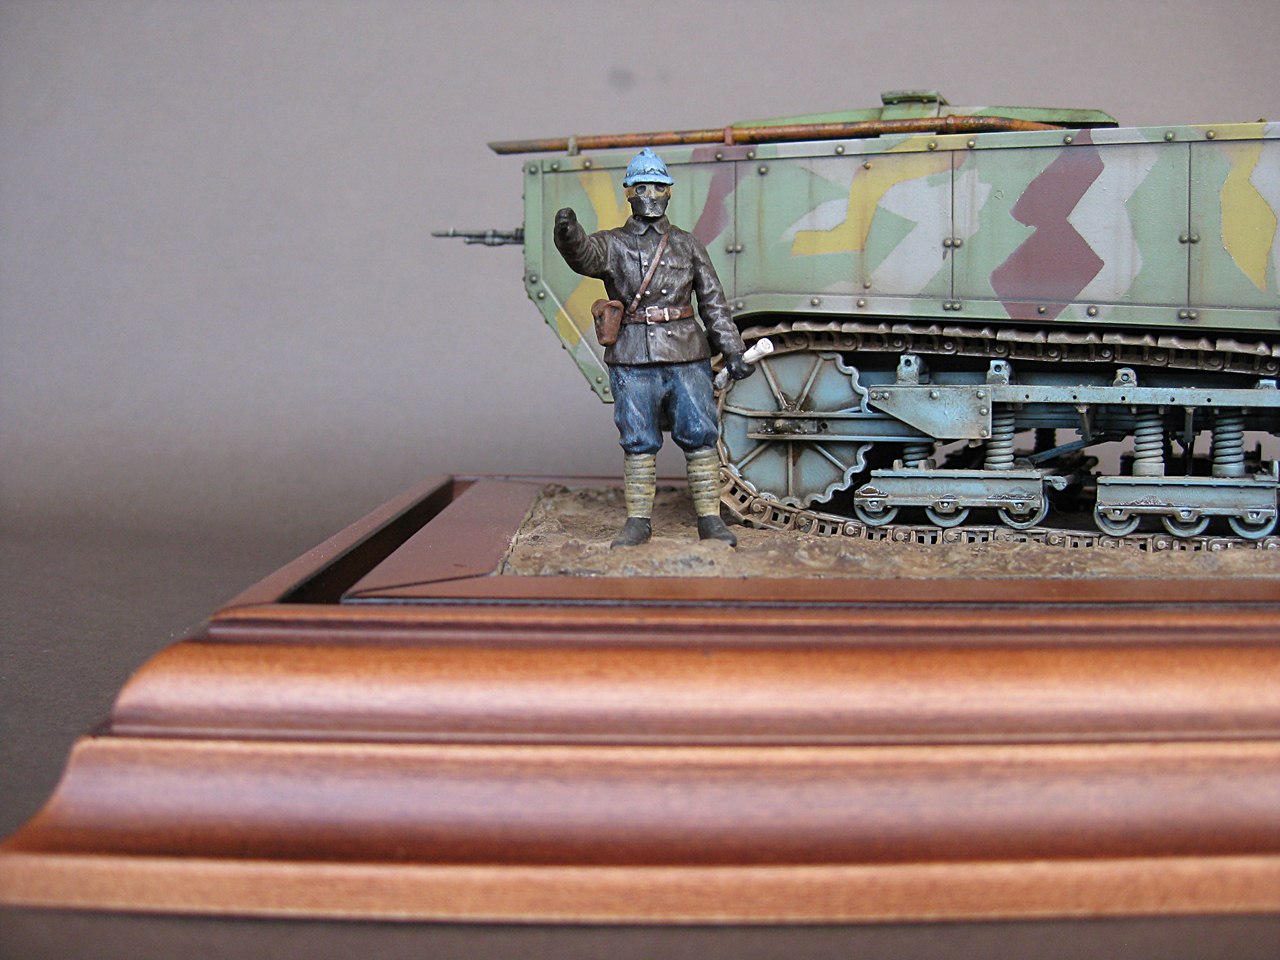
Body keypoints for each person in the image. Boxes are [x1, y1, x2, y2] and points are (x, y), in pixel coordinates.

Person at [554, 147, 754, 547]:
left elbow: (712, 301)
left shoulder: (687, 245)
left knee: (700, 434)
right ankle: (638, 521)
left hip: (686, 355)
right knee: (638, 439)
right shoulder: (613, 244)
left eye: (658, 187)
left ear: (669, 192)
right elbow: (583, 256)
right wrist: (567, 233)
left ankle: (710, 519)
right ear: (629, 192)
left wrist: (732, 349)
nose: (651, 195)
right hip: (632, 357)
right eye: (642, 187)